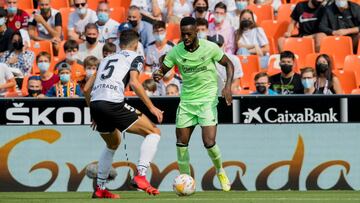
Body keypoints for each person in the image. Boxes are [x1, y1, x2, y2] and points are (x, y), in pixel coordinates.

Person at [153, 16, 234, 191]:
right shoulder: (177, 51)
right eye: (183, 35)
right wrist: (157, 74)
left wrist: (227, 86)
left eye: (189, 34)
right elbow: (163, 69)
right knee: (181, 143)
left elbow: (228, 64)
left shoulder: (210, 48)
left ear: (197, 32)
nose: (186, 38)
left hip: (207, 100)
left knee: (209, 142)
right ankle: (185, 180)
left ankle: (220, 170)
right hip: (187, 102)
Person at [84, 29, 163, 198]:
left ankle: (100, 188)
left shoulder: (106, 59)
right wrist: (151, 107)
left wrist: (94, 112)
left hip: (96, 104)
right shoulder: (135, 57)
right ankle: (141, 176)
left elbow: (85, 89)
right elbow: (134, 83)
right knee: (154, 132)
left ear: (120, 44)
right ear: (136, 45)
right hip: (113, 102)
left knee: (112, 144)